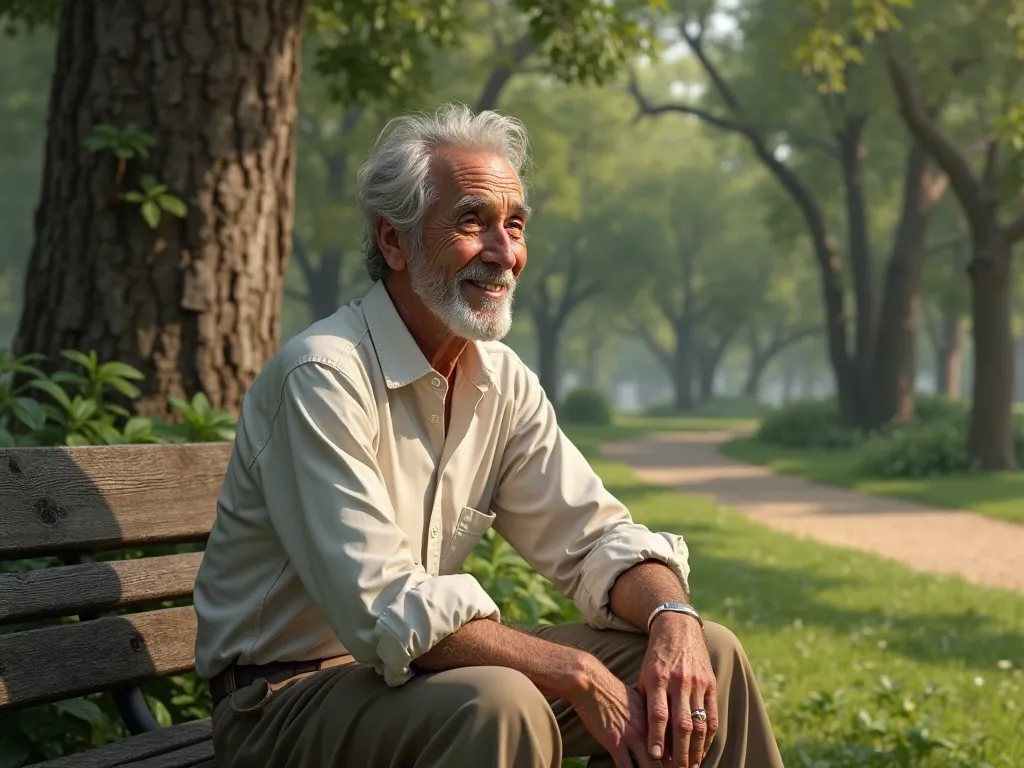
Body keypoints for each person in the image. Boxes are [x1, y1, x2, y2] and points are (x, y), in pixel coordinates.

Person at [192, 102, 784, 768]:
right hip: (285, 703)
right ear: (393, 241)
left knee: (711, 657)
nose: (504, 253)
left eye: (515, 224)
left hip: (412, 678)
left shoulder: (498, 377)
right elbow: (382, 603)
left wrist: (673, 614)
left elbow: (592, 539)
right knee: (503, 701)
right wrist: (577, 672)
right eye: (472, 221)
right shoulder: (323, 375)